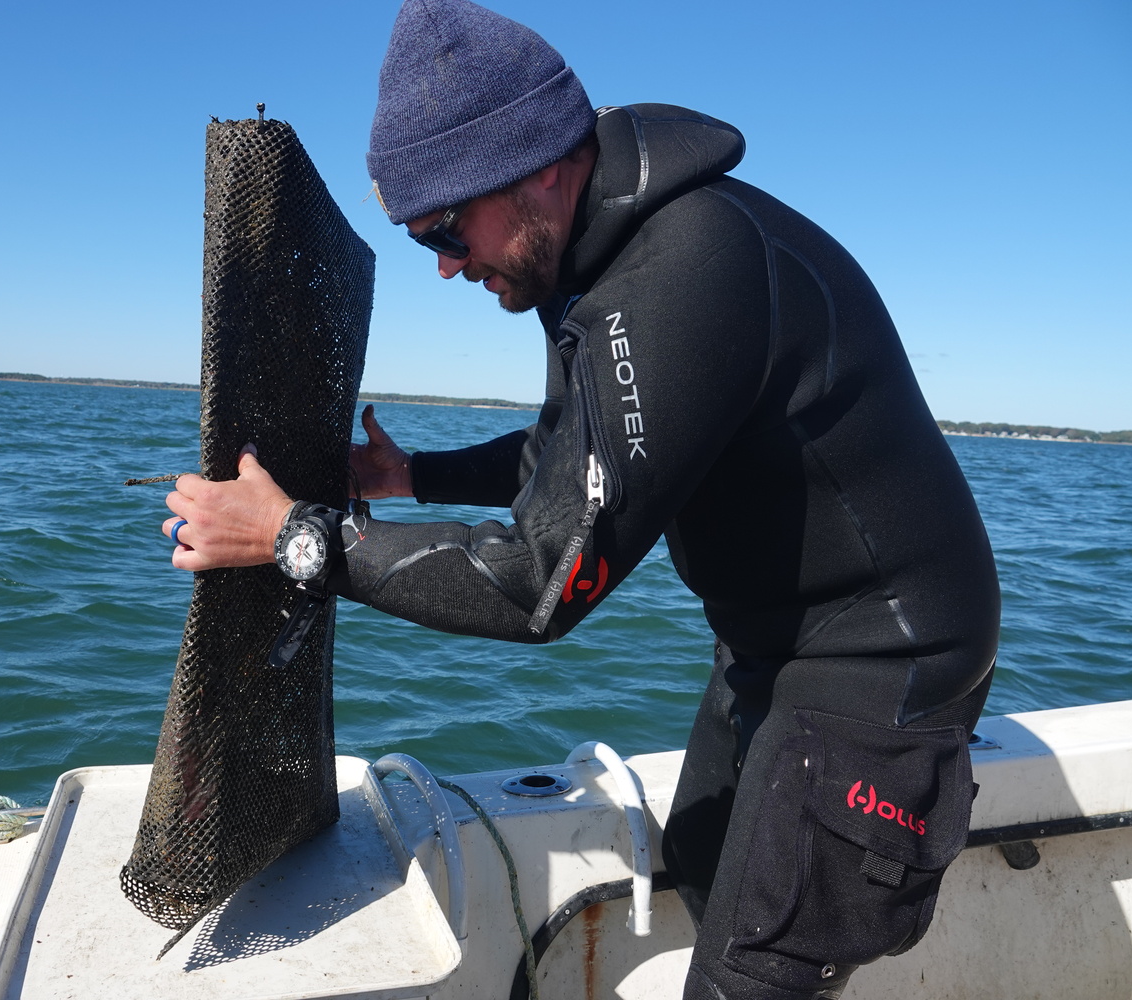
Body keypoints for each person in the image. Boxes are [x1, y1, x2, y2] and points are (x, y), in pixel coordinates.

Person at [161, 1, 1000, 996]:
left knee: (751, 971)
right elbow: (576, 461)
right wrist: (407, 474)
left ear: (539, 167)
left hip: (883, 659)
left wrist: (298, 540)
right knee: (697, 865)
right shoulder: (589, 264)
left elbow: (539, 586)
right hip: (774, 640)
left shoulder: (687, 266)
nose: (441, 262)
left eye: (446, 225)